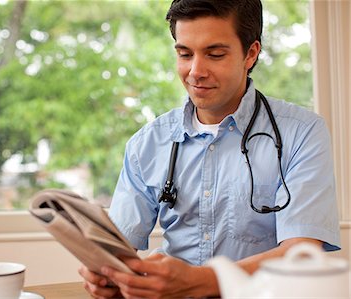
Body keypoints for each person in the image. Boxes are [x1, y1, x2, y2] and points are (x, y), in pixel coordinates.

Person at [79, 0, 341, 298]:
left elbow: (302, 254)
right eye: (184, 54)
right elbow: (118, 247)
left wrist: (200, 280)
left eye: (215, 54)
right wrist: (107, 275)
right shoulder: (147, 143)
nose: (195, 71)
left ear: (250, 54)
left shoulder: (303, 132)